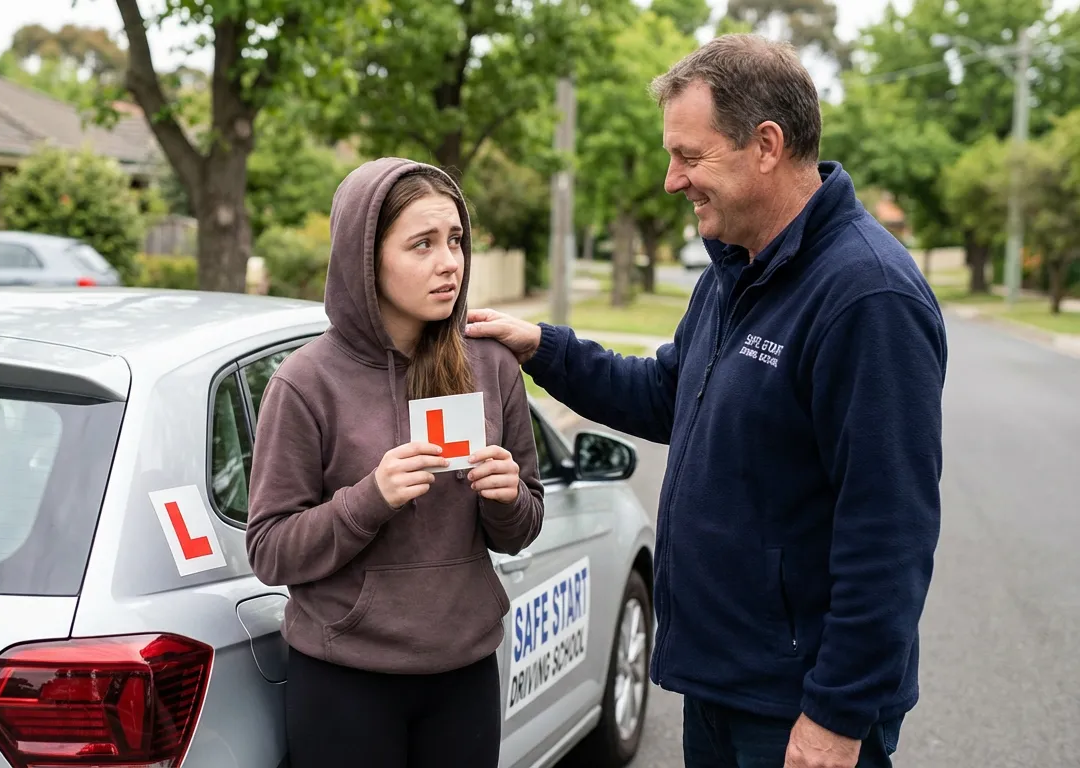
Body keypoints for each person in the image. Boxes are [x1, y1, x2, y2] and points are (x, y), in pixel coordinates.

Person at [466, 34, 946, 768]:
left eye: (689, 157)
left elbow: (890, 531)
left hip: (797, 711)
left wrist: (837, 716)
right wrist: (543, 348)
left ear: (766, 145)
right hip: (722, 686)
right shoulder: (736, 268)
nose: (671, 180)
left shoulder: (866, 295)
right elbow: (669, 393)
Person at [245, 157, 546, 768]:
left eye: (456, 240)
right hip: (345, 679)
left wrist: (509, 498)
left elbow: (523, 528)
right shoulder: (305, 383)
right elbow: (270, 549)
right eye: (422, 245)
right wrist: (368, 499)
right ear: (367, 259)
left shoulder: (490, 366)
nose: (449, 262)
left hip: (463, 671)